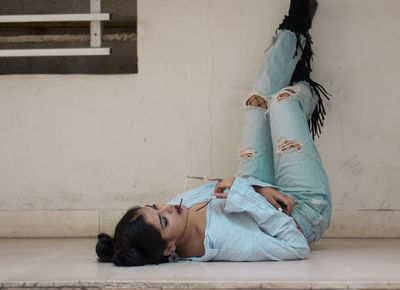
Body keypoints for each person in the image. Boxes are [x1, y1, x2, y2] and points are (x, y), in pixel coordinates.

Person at [96, 0, 332, 266]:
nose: (166, 207)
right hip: (298, 212)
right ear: (168, 249)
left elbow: (236, 192)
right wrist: (247, 194)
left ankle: (296, 28)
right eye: (163, 220)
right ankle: (303, 84)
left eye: (154, 206)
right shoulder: (225, 241)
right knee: (282, 101)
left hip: (260, 187)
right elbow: (296, 246)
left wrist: (256, 188)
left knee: (256, 102)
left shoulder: (179, 206)